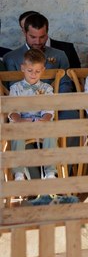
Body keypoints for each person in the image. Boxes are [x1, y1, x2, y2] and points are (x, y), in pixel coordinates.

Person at [8, 48, 58, 181]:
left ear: (43, 70)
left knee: (51, 132)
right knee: (16, 133)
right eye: (30, 70)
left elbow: (49, 110)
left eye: (37, 71)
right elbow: (12, 110)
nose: (33, 74)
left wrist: (44, 120)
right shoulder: (15, 88)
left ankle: (50, 172)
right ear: (22, 68)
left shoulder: (47, 89)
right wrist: (19, 120)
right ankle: (18, 173)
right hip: (22, 122)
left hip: (41, 122)